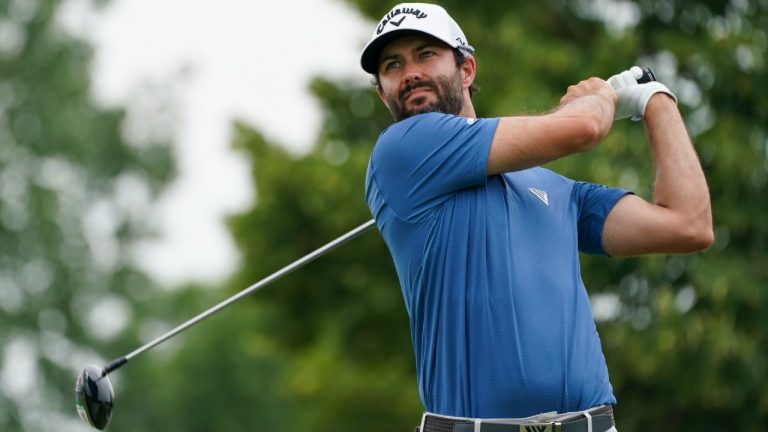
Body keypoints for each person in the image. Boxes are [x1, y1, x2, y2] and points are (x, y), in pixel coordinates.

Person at [360, 3, 713, 432]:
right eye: (393, 65)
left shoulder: (557, 190)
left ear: (466, 69)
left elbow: (688, 225)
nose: (410, 71)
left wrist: (656, 100)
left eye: (426, 54)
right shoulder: (402, 150)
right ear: (383, 92)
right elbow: (584, 128)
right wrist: (598, 97)